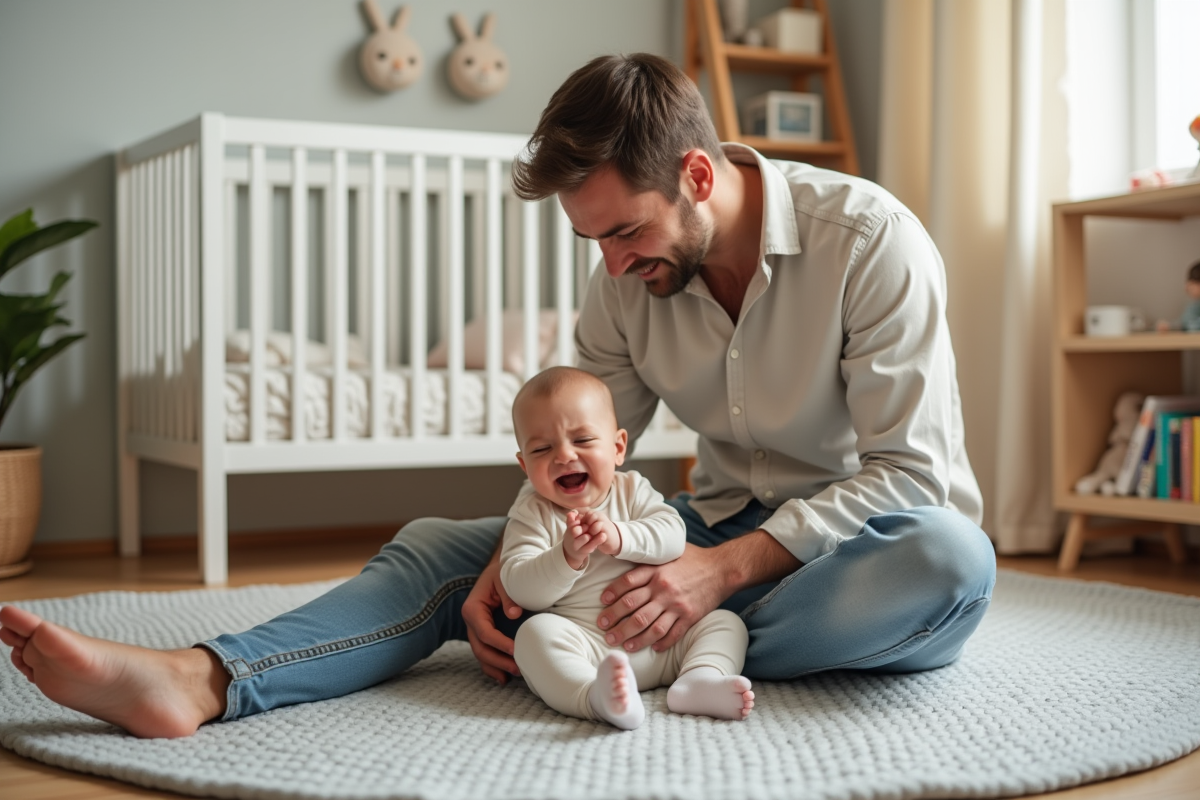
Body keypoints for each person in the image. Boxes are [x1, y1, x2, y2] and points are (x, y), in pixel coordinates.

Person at [0, 52, 996, 739]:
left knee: (949, 562)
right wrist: (516, 568)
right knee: (444, 543)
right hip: (703, 526)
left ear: (697, 174)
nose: (610, 262)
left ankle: (649, 634)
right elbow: (580, 459)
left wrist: (719, 571)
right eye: (593, 240)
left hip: (844, 550)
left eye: (625, 232)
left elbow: (912, 475)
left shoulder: (870, 243)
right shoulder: (624, 279)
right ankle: (203, 680)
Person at [503, 366, 752, 730]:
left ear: (618, 447)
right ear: (525, 465)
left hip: (667, 641)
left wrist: (620, 537)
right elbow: (520, 587)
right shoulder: (532, 513)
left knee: (726, 623)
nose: (564, 456)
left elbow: (672, 536)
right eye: (542, 448)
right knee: (534, 635)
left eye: (583, 440)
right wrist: (566, 557)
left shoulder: (632, 490)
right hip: (587, 646)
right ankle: (593, 696)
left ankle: (698, 679)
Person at [1156, 260, 1200, 332]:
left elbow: (1191, 326)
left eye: (1191, 282)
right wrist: (1169, 326)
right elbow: (1184, 322)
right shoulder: (1194, 306)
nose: (1186, 287)